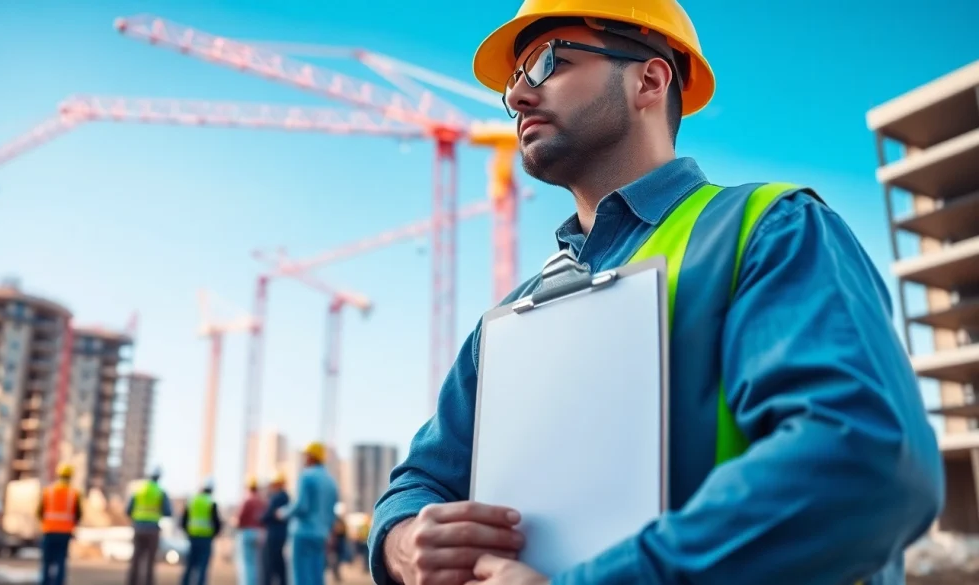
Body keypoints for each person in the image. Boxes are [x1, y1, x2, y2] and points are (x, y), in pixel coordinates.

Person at [368, 1, 946, 585]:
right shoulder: (511, 318)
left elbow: (864, 462)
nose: (518, 97)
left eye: (546, 62)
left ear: (649, 78)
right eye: (513, 81)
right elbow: (420, 481)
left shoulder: (768, 230)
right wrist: (405, 544)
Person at [284, 442, 339, 585]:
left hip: (303, 533)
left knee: (301, 576)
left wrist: (283, 512)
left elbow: (301, 506)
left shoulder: (307, 476)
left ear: (311, 457)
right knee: (316, 576)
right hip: (321, 534)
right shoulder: (331, 481)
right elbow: (332, 512)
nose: (304, 459)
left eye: (306, 455)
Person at [37, 463, 82, 585]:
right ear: (71, 476)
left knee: (46, 561)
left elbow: (39, 512)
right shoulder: (74, 493)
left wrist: (46, 523)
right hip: (65, 533)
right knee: (61, 560)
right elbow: (78, 515)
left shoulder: (48, 491)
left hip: (49, 531)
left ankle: (44, 582)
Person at [126, 466, 172, 585]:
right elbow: (168, 511)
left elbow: (128, 510)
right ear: (159, 477)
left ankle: (132, 582)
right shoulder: (160, 492)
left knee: (136, 560)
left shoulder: (138, 490)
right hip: (153, 530)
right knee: (150, 562)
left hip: (138, 528)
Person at [179, 477, 222, 585]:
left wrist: (188, 532)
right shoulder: (211, 503)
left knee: (189, 565)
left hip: (192, 538)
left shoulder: (192, 501)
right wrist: (214, 534)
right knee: (202, 567)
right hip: (206, 539)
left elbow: (183, 520)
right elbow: (217, 523)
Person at [258, 472, 290, 585]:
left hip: (273, 536)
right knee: (279, 564)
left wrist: (259, 517)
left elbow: (268, 515)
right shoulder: (286, 497)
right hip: (282, 535)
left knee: (268, 565)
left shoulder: (277, 498)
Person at [233, 477, 265, 585]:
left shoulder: (247, 500)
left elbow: (240, 519)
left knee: (246, 564)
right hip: (260, 534)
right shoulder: (262, 501)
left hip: (247, 533)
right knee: (256, 564)